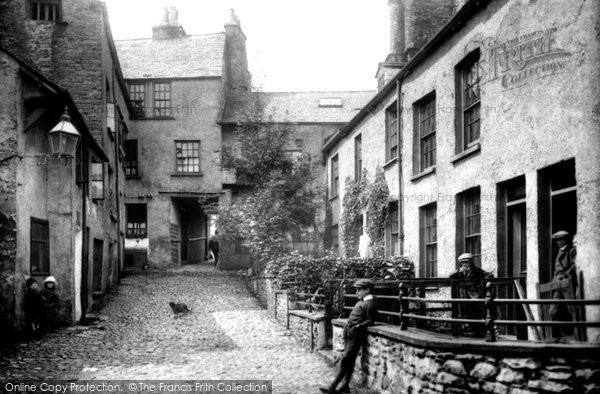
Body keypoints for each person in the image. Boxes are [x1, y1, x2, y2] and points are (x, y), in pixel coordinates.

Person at [320, 279, 377, 394]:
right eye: (356, 290)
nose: (357, 292)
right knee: (349, 361)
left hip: (356, 335)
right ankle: (345, 386)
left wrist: (357, 326)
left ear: (367, 290)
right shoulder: (362, 301)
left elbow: (370, 321)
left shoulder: (369, 303)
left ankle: (333, 386)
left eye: (360, 290)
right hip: (350, 333)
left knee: (346, 360)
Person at [449, 253, 492, 337]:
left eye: (466, 262)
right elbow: (450, 276)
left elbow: (487, 275)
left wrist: (488, 276)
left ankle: (478, 332)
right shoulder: (460, 271)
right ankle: (469, 330)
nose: (464, 264)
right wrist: (458, 271)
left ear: (470, 262)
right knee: (465, 312)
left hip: (475, 295)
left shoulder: (477, 270)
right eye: (463, 262)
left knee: (476, 312)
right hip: (463, 295)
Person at [549, 230, 577, 340]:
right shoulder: (559, 251)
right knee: (553, 311)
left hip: (567, 284)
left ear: (566, 240)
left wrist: (566, 274)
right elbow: (557, 270)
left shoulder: (571, 251)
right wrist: (553, 282)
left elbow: (574, 265)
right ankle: (560, 336)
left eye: (561, 239)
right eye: (557, 240)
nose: (559, 242)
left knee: (571, 310)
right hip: (558, 285)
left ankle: (573, 337)